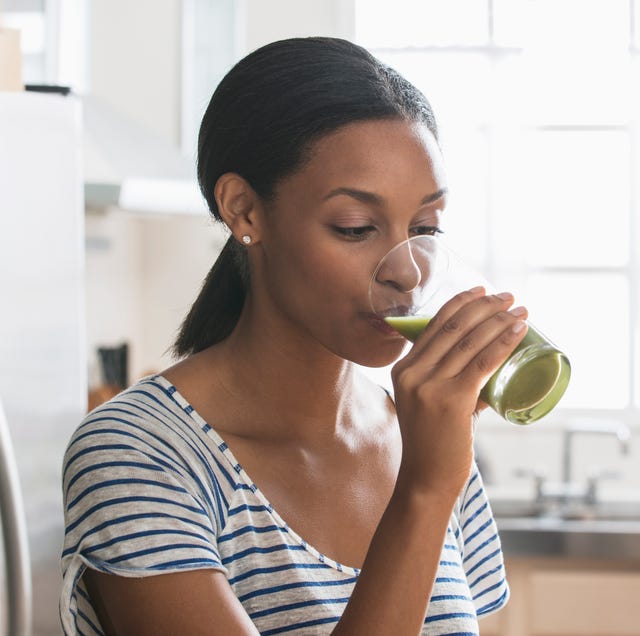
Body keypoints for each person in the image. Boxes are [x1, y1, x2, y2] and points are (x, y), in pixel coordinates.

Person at [60, 36, 528, 635]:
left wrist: (436, 472)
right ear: (244, 211)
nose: (407, 270)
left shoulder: (425, 432)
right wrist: (423, 492)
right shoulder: (137, 453)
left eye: (424, 227)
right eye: (355, 227)